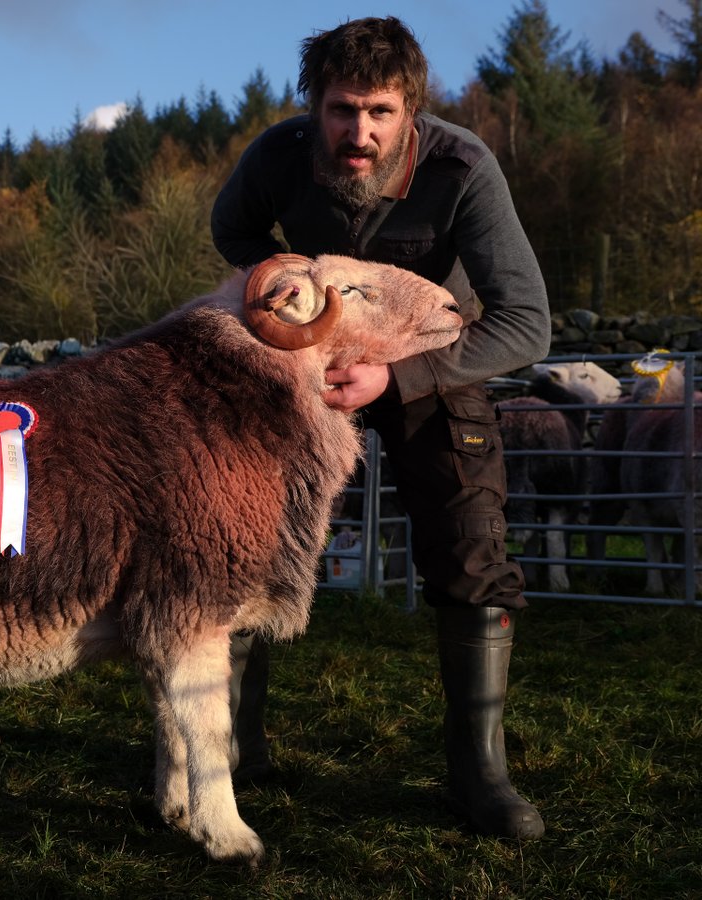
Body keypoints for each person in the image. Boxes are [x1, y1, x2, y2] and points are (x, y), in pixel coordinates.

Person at [210, 16, 548, 840]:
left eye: (380, 112)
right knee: (250, 544)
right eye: (340, 109)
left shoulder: (462, 167)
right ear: (313, 106)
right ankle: (227, 754)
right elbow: (233, 232)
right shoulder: (278, 156)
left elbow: (527, 323)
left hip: (435, 360)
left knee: (472, 550)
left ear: (412, 111)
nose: (357, 133)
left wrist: (397, 372)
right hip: (311, 368)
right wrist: (290, 294)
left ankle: (480, 776)